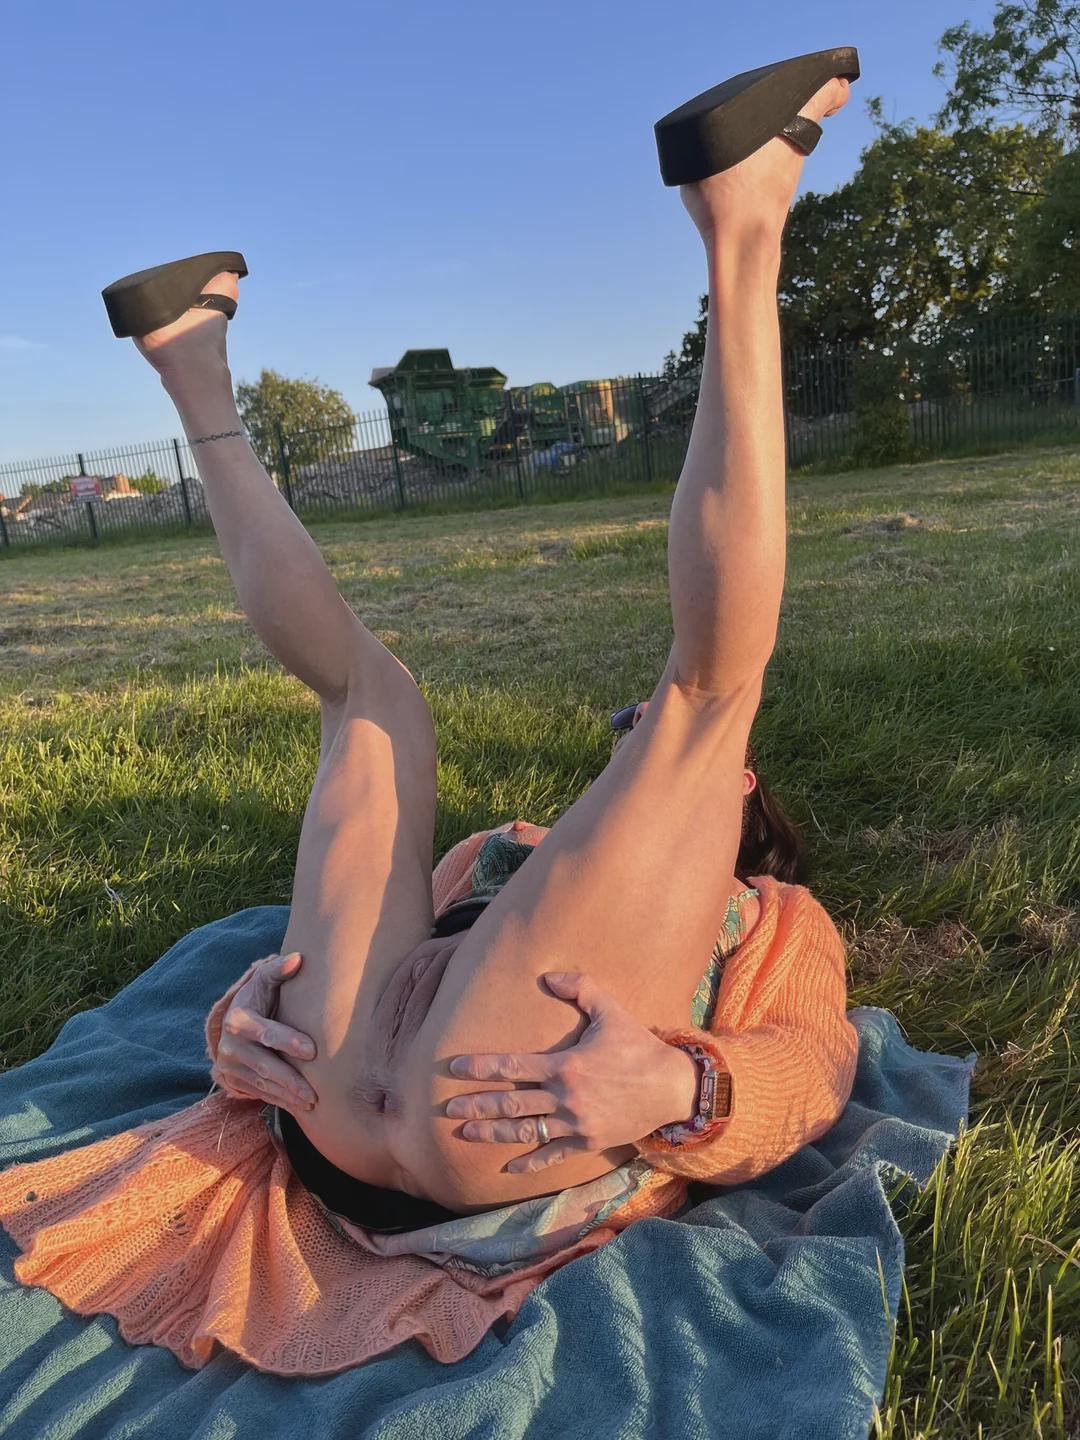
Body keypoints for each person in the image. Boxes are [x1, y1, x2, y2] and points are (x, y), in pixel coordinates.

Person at [0, 61, 862, 1368]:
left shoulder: (774, 918)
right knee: (373, 698)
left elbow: (816, 1060)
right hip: (341, 1110)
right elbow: (379, 948)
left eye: (640, 741)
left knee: (710, 695)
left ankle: (743, 226)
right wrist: (250, 1023)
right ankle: (193, 369)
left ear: (738, 810)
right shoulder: (495, 854)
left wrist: (687, 1084)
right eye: (626, 736)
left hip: (489, 1133)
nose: (625, 738)